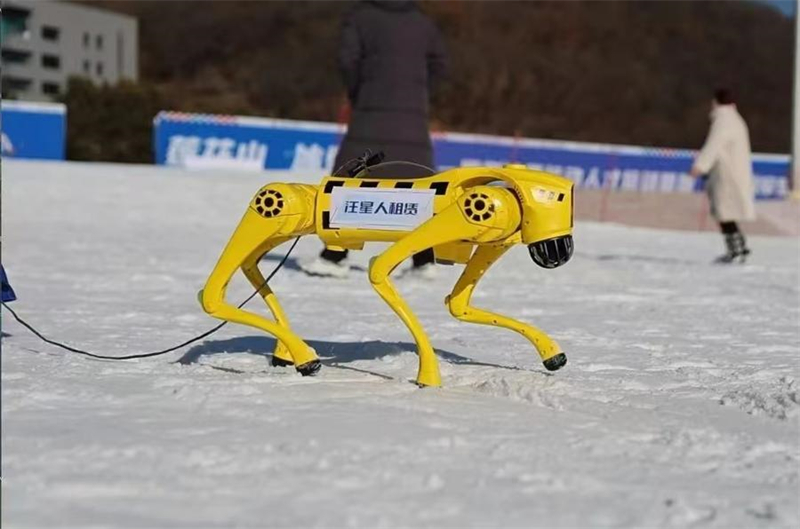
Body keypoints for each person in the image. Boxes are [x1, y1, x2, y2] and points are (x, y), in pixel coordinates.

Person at [302, 0, 448, 279]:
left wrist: (362, 92)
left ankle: (334, 256)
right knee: (418, 186)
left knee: (347, 182)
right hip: (412, 118)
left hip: (369, 113)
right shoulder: (423, 23)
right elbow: (440, 66)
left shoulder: (360, 18)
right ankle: (424, 259)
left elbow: (347, 61)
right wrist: (418, 95)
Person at [690, 88, 756, 263]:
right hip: (734, 172)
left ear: (716, 102)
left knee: (724, 213)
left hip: (726, 175)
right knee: (727, 213)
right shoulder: (735, 119)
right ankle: (738, 247)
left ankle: (736, 250)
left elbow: (714, 145)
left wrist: (700, 166)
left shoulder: (723, 121)